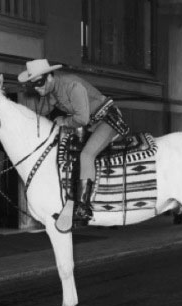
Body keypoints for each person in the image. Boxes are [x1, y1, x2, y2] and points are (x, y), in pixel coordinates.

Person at [18, 59, 130, 223]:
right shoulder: (52, 91)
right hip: (92, 125)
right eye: (32, 85)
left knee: (86, 156)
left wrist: (63, 120)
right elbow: (45, 112)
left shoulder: (72, 86)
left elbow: (82, 119)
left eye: (39, 82)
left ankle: (84, 208)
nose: (37, 87)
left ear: (50, 77)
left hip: (108, 121)